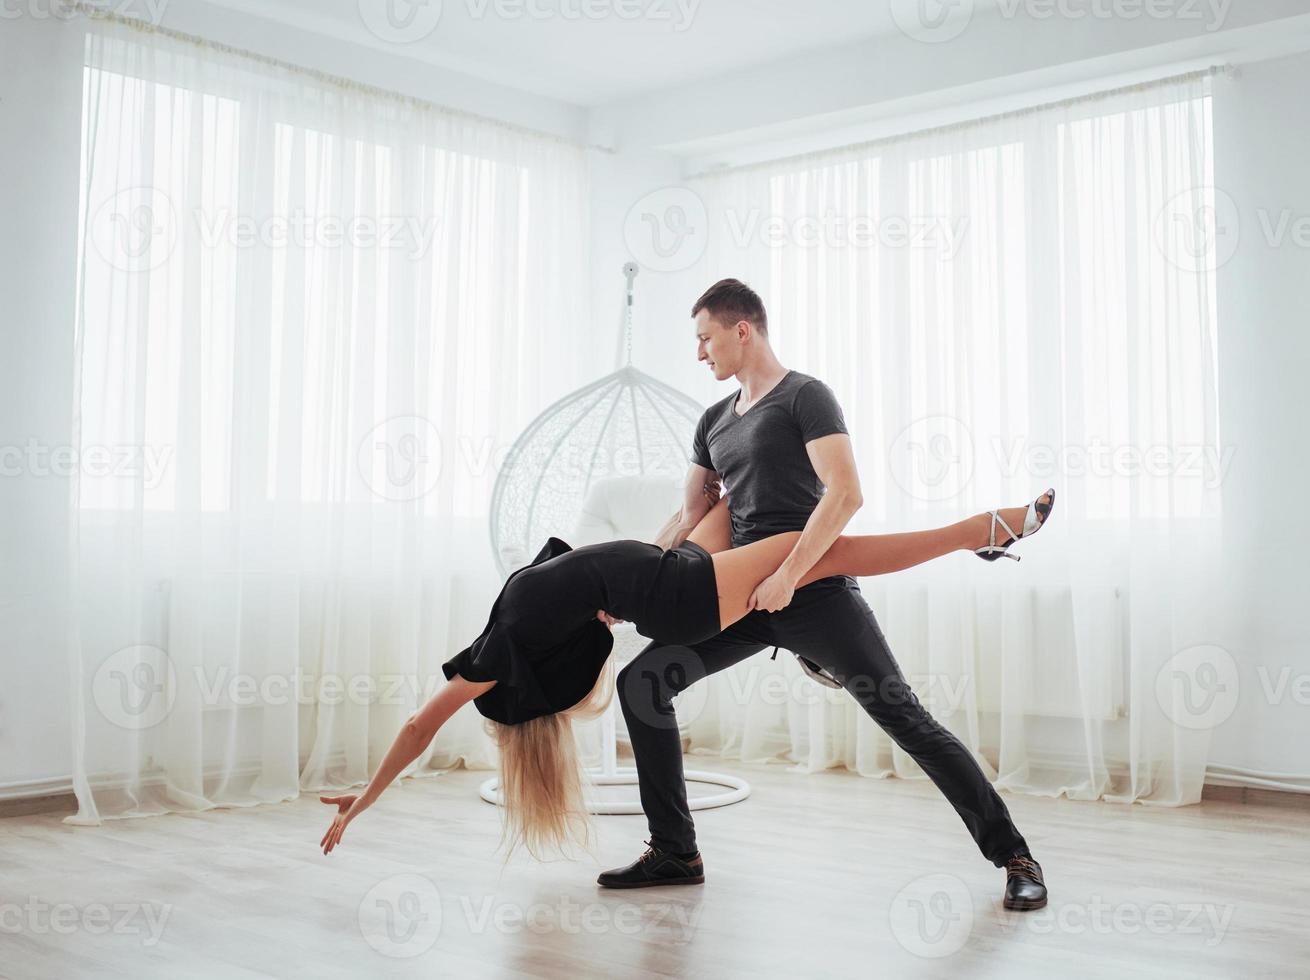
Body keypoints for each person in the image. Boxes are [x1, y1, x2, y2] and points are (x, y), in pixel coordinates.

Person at [318, 483, 1054, 875]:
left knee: (757, 527)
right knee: (813, 547)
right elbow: (420, 727)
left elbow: (597, 570)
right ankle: (982, 531)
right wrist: (367, 801)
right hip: (679, 594)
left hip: (671, 570)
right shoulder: (498, 647)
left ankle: (816, 635)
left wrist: (694, 508)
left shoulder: (516, 614)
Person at [599, 279, 1050, 912]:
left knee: (906, 718)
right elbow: (688, 516)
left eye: (704, 338)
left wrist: (788, 578)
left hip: (813, 590)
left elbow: (844, 495)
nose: (700, 353)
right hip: (741, 597)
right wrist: (629, 581)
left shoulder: (804, 397)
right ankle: (675, 849)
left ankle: (1014, 856)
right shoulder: (713, 422)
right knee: (643, 682)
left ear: (741, 329)